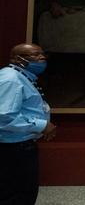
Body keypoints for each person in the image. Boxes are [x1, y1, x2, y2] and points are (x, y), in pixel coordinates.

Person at [0, 43, 56, 205]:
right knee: (17, 193)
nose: (41, 58)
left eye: (42, 54)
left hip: (19, 144)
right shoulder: (10, 79)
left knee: (24, 190)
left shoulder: (21, 77)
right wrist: (42, 125)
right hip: (12, 148)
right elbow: (4, 117)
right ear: (18, 59)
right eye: (35, 55)